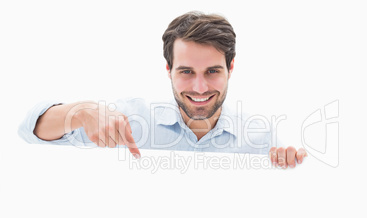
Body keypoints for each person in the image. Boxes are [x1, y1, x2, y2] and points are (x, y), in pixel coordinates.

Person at [18, 11, 307, 169]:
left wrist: (288, 170)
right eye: (186, 72)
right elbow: (29, 131)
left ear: (230, 68)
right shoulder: (127, 120)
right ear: (168, 70)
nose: (199, 87)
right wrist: (79, 112)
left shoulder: (259, 138)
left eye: (212, 71)